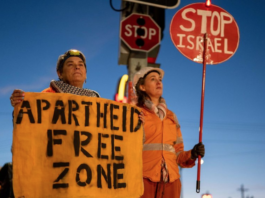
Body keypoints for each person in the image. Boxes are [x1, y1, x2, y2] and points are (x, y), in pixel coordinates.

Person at [132, 67, 205, 198]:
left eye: (160, 79)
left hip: (171, 182)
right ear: (142, 87)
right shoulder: (135, 113)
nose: (158, 82)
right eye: (153, 79)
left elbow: (177, 154)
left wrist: (192, 154)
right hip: (144, 179)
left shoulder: (171, 116)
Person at [10, 49, 99, 107]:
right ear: (60, 73)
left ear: (86, 73)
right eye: (70, 64)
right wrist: (20, 104)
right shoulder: (47, 95)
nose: (77, 67)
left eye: (80, 64)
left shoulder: (98, 102)